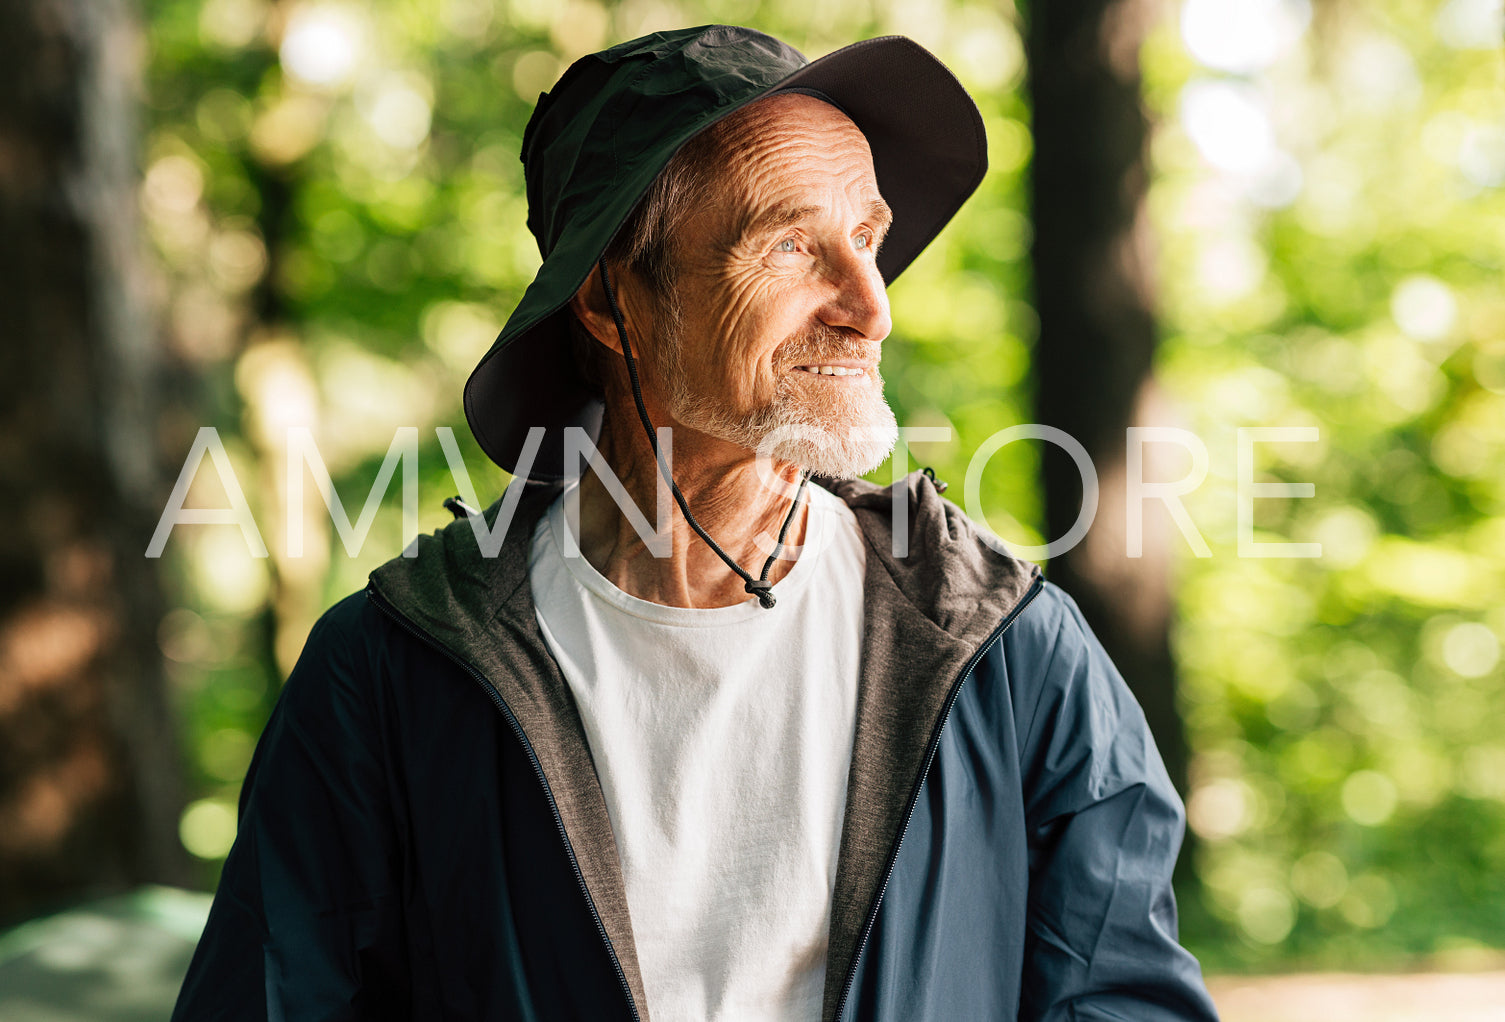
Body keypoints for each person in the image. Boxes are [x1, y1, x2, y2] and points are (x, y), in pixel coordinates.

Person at [173, 24, 1220, 1022]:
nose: (872, 305)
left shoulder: (1004, 648)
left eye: (865, 238)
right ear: (608, 299)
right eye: (789, 246)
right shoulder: (392, 675)